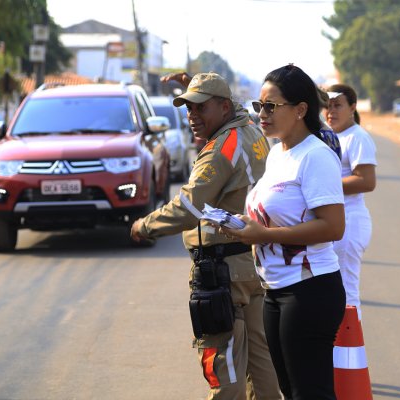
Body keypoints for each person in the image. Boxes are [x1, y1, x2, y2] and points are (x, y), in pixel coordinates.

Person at [131, 72, 281, 400]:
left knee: (224, 371)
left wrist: (144, 226)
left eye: (201, 108)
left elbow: (187, 207)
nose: (192, 117)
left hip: (223, 273)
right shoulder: (250, 129)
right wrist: (196, 85)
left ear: (223, 107)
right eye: (188, 109)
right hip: (254, 265)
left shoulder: (219, 150)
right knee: (260, 363)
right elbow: (234, 105)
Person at [221, 64, 346, 399]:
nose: (262, 114)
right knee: (290, 390)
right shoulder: (278, 153)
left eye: (271, 106)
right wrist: (239, 224)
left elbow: (333, 227)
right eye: (259, 105)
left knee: (310, 392)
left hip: (310, 291)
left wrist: (263, 236)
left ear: (301, 110)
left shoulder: (316, 156)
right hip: (275, 288)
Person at [324, 84, 377, 319]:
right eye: (328, 106)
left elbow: (366, 181)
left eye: (337, 105)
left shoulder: (357, 137)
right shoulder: (330, 135)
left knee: (347, 294)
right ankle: (335, 353)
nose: (331, 111)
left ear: (352, 107)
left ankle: (351, 355)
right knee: (332, 294)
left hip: (350, 221)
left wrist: (324, 185)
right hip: (333, 223)